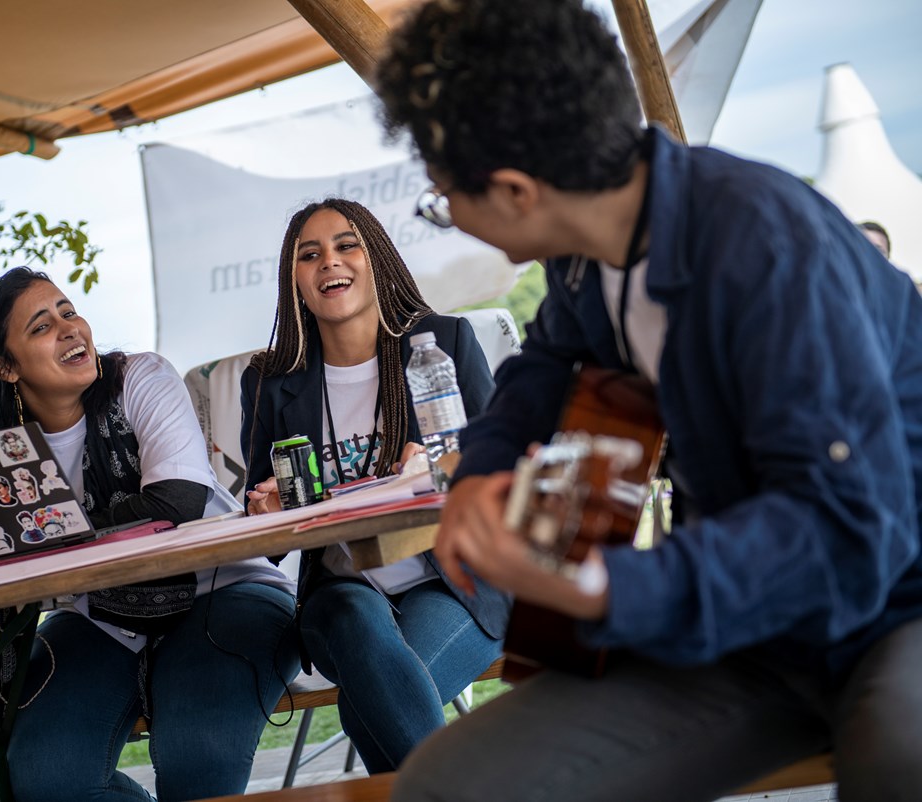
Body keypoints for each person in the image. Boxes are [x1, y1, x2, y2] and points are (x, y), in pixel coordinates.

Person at [374, 2, 922, 801]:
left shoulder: (766, 247)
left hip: (897, 603)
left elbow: (844, 530)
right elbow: (548, 363)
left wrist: (608, 590)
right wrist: (477, 476)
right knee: (452, 787)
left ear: (519, 191)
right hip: (751, 634)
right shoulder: (586, 257)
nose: (448, 216)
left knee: (903, 766)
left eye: (442, 198)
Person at [0, 267, 298, 802]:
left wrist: (38, 536)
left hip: (225, 590)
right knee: (46, 784)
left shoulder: (140, 378)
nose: (71, 329)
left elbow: (174, 503)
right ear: (4, 366)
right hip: (99, 617)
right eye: (42, 326)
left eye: (69, 312)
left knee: (196, 767)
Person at [240, 198, 508, 773]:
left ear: (376, 257)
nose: (328, 262)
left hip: (454, 580)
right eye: (309, 255)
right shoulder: (268, 382)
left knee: (374, 708)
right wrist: (267, 509)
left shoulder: (445, 343)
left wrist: (442, 463)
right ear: (296, 283)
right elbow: (268, 536)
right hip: (341, 594)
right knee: (358, 630)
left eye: (346, 245)